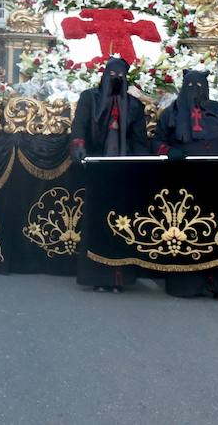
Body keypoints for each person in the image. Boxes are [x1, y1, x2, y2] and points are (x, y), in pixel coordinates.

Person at [156, 69, 218, 303]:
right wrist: (168, 151)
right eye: (191, 86)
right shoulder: (171, 114)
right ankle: (188, 282)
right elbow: (157, 140)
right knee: (190, 232)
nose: (195, 91)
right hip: (184, 181)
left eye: (200, 86)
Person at [70, 55, 151, 292]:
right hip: (97, 166)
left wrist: (141, 164)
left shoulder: (134, 106)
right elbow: (79, 126)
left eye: (120, 77)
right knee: (97, 222)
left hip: (122, 170)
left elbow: (140, 141)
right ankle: (97, 276)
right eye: (112, 76)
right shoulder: (90, 98)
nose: (116, 80)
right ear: (104, 76)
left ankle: (118, 278)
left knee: (122, 223)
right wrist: (78, 146)